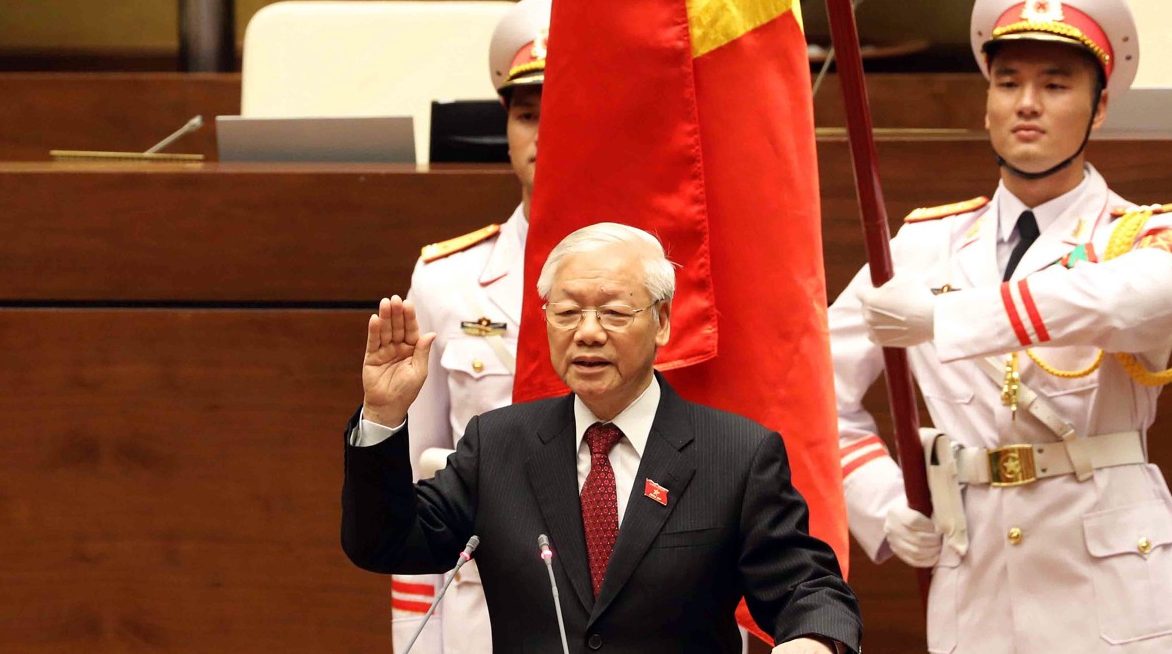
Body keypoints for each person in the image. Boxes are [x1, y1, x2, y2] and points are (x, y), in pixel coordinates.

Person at [830, 0, 1172, 653]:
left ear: (1100, 105)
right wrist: (886, 505)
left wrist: (947, 318)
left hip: (1116, 581)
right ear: (987, 105)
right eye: (1007, 83)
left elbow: (1139, 299)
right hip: (977, 571)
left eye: (1055, 83)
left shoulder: (1153, 233)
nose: (1027, 103)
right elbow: (815, 386)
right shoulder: (921, 244)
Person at [346, 223, 863, 654]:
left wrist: (813, 641)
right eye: (567, 313)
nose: (587, 332)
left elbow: (810, 589)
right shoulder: (498, 444)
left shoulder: (735, 455)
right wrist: (383, 415)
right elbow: (387, 542)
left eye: (614, 313)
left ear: (661, 321)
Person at [389, 0, 549, 654]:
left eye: (568, 113)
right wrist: (415, 642)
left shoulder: (665, 280)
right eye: (527, 115)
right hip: (482, 615)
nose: (543, 134)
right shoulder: (446, 281)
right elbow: (415, 491)